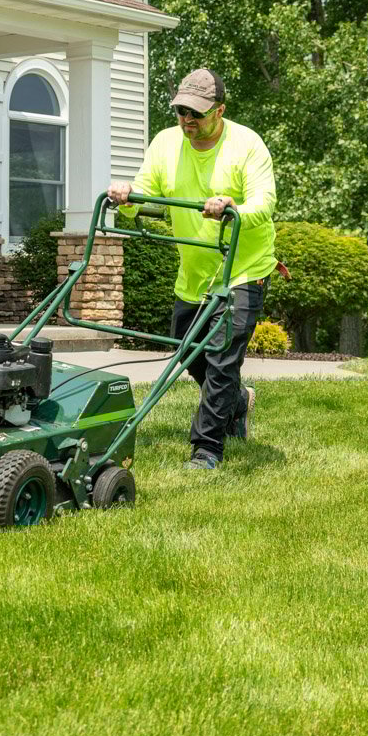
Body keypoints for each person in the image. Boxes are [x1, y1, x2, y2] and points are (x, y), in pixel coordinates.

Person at [106, 68, 277, 470]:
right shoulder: (166, 143)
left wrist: (233, 207)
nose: (186, 120)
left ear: (219, 110)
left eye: (196, 114)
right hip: (194, 271)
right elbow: (150, 195)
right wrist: (128, 196)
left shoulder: (248, 145)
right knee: (186, 350)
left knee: (220, 358)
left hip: (243, 268)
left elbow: (264, 203)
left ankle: (207, 449)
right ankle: (237, 401)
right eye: (181, 111)